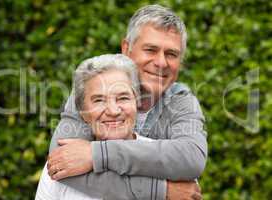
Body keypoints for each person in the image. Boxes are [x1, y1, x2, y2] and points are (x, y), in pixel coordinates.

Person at [47, 4, 207, 200]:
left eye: (171, 54)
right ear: (126, 49)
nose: (161, 62)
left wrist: (97, 154)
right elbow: (60, 164)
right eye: (151, 50)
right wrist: (161, 191)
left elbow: (191, 159)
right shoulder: (94, 88)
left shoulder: (182, 102)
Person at [36, 54, 156, 200]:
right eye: (99, 100)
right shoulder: (62, 162)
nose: (113, 111)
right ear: (83, 114)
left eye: (123, 98)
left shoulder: (164, 159)